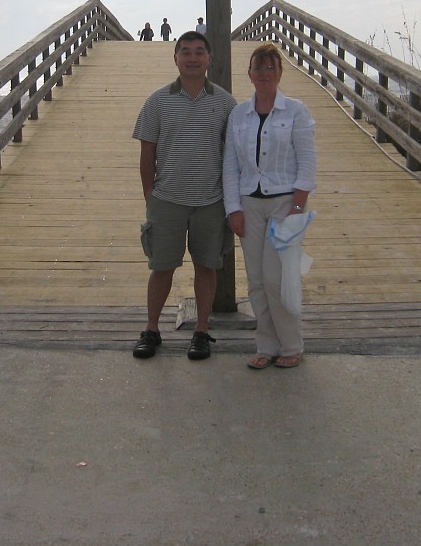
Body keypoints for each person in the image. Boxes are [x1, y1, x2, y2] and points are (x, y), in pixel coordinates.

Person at [131, 31, 236, 360]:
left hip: (210, 201)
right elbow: (147, 153)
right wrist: (151, 195)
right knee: (161, 268)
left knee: (207, 267)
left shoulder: (225, 103)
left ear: (209, 59)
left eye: (199, 52)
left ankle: (201, 332)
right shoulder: (157, 101)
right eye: (185, 52)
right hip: (167, 201)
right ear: (175, 58)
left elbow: (234, 155)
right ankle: (151, 329)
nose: (192, 57)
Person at [223, 42, 317, 369]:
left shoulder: (296, 111)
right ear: (249, 74)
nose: (264, 74)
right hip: (250, 204)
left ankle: (292, 345)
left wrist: (297, 207)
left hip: (284, 204)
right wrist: (232, 208)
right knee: (257, 281)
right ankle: (266, 346)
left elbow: (306, 161)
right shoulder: (239, 114)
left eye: (270, 68)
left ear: (279, 72)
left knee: (279, 278)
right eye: (258, 68)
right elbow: (230, 165)